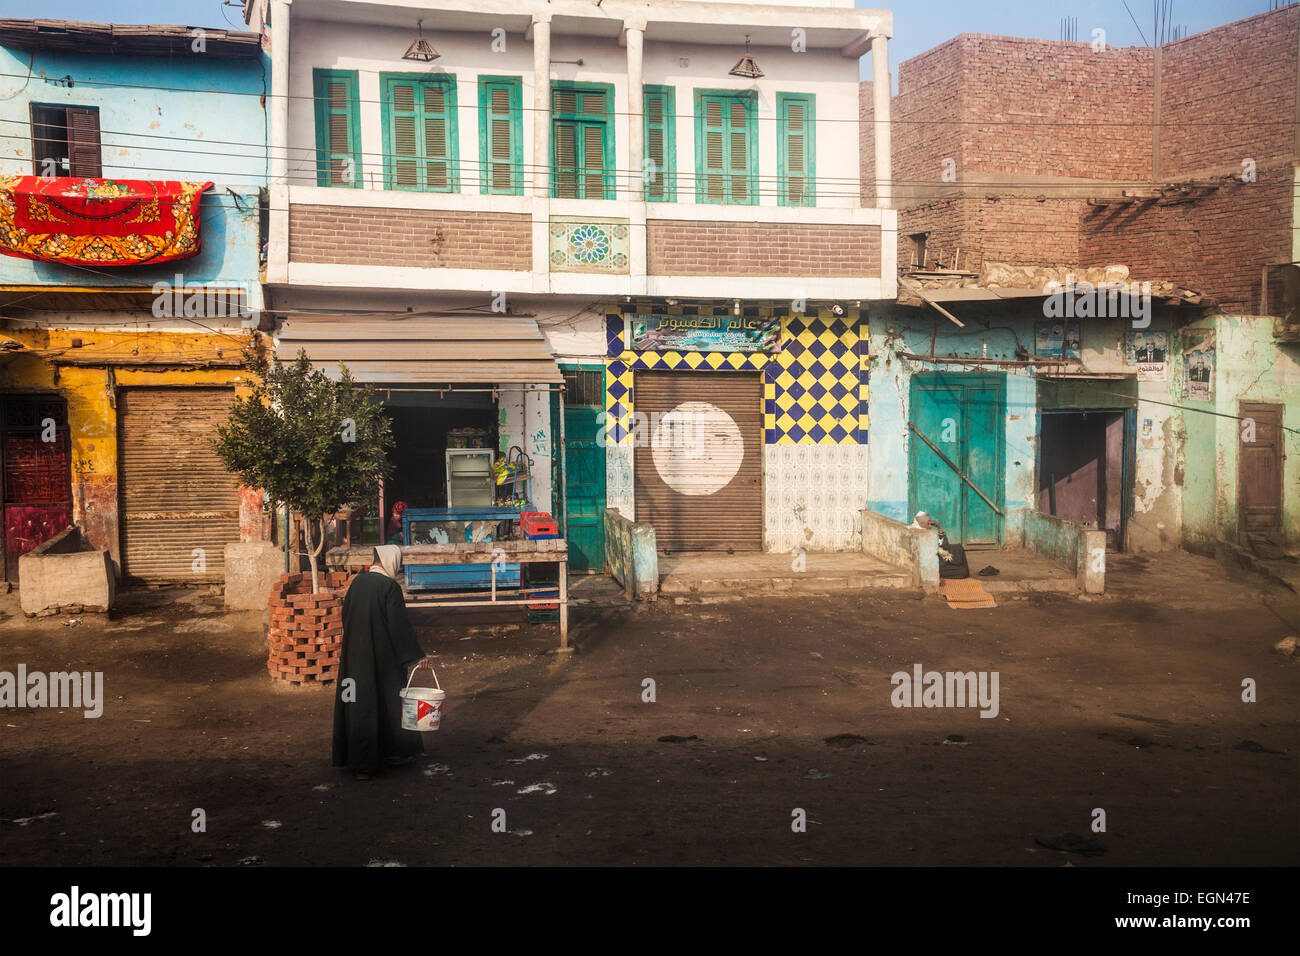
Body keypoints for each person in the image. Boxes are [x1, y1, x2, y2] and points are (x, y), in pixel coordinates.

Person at [332, 545, 425, 780]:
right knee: (390, 702)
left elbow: (345, 617)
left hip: (354, 657)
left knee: (359, 705)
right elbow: (398, 626)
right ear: (390, 561)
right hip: (383, 657)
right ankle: (394, 752)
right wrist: (415, 655)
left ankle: (360, 761)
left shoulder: (357, 583)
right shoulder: (389, 587)